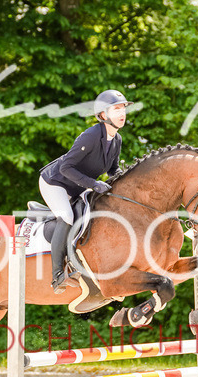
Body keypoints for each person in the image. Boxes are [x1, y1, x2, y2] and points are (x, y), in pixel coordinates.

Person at [40, 89, 130, 292]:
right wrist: (93, 184)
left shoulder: (116, 140)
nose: (122, 113)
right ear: (103, 115)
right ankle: (57, 276)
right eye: (116, 109)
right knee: (67, 216)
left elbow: (113, 169)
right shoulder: (90, 136)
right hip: (56, 183)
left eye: (123, 108)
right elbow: (65, 168)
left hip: (78, 184)